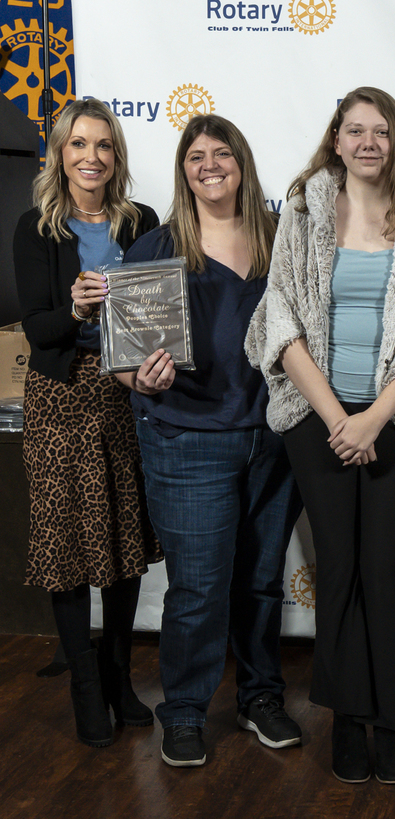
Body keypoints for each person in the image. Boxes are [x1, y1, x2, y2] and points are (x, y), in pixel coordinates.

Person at [246, 87, 395, 785]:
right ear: (335, 139)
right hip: (317, 418)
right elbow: (280, 317)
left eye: (382, 131)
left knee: (385, 569)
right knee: (337, 567)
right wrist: (339, 418)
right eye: (354, 130)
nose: (368, 142)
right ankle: (346, 716)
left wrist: (374, 418)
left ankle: (392, 720)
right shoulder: (304, 208)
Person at [119, 115, 304, 768]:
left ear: (242, 163)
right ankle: (187, 710)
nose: (209, 164)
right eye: (195, 156)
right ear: (184, 170)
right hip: (187, 440)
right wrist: (139, 372)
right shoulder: (155, 249)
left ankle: (259, 696)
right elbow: (123, 359)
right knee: (198, 587)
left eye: (221, 152)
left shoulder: (283, 239)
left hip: (274, 440)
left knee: (259, 581)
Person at [13, 99, 161, 748]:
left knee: (127, 540)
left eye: (103, 144)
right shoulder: (35, 227)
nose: (92, 156)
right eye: (79, 144)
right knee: (68, 545)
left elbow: (161, 309)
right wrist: (73, 307)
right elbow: (38, 328)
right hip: (60, 399)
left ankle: (118, 674)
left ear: (116, 155)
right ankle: (82, 685)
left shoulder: (143, 222)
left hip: (127, 396)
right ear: (60, 153)